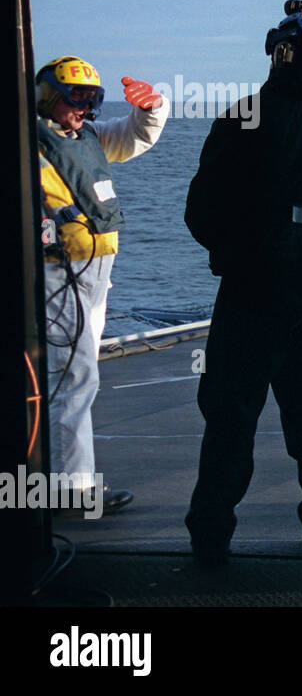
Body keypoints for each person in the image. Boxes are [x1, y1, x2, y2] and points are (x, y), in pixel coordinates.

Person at [184, 0, 302, 565]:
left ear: (285, 53)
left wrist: (233, 250)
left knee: (232, 409)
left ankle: (212, 531)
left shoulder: (249, 113)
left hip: (255, 281)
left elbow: (203, 206)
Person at [36, 55, 168, 515]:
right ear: (48, 96)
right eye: (77, 97)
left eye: (92, 98)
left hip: (95, 271)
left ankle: (55, 477)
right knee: (73, 375)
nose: (84, 108)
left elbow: (132, 138)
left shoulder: (87, 136)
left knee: (76, 373)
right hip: (58, 273)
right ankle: (68, 487)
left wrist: (150, 109)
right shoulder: (28, 143)